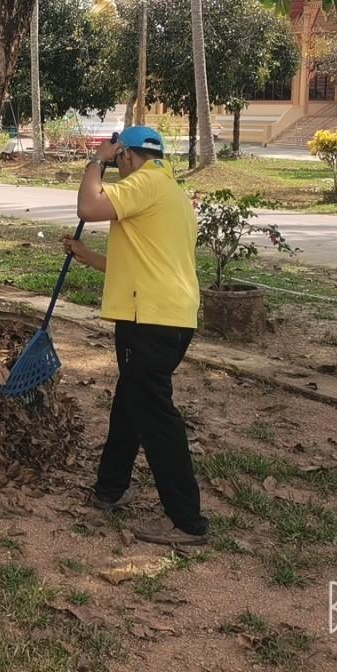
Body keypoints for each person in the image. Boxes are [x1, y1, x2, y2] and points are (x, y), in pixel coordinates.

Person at [61, 125, 207, 547]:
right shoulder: (173, 193)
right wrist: (87, 256)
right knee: (131, 404)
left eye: (116, 159)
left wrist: (95, 161)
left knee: (155, 414)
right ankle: (110, 488)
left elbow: (89, 206)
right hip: (171, 316)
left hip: (149, 321)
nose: (115, 166)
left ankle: (187, 521)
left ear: (125, 156)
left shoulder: (144, 181)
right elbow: (146, 262)